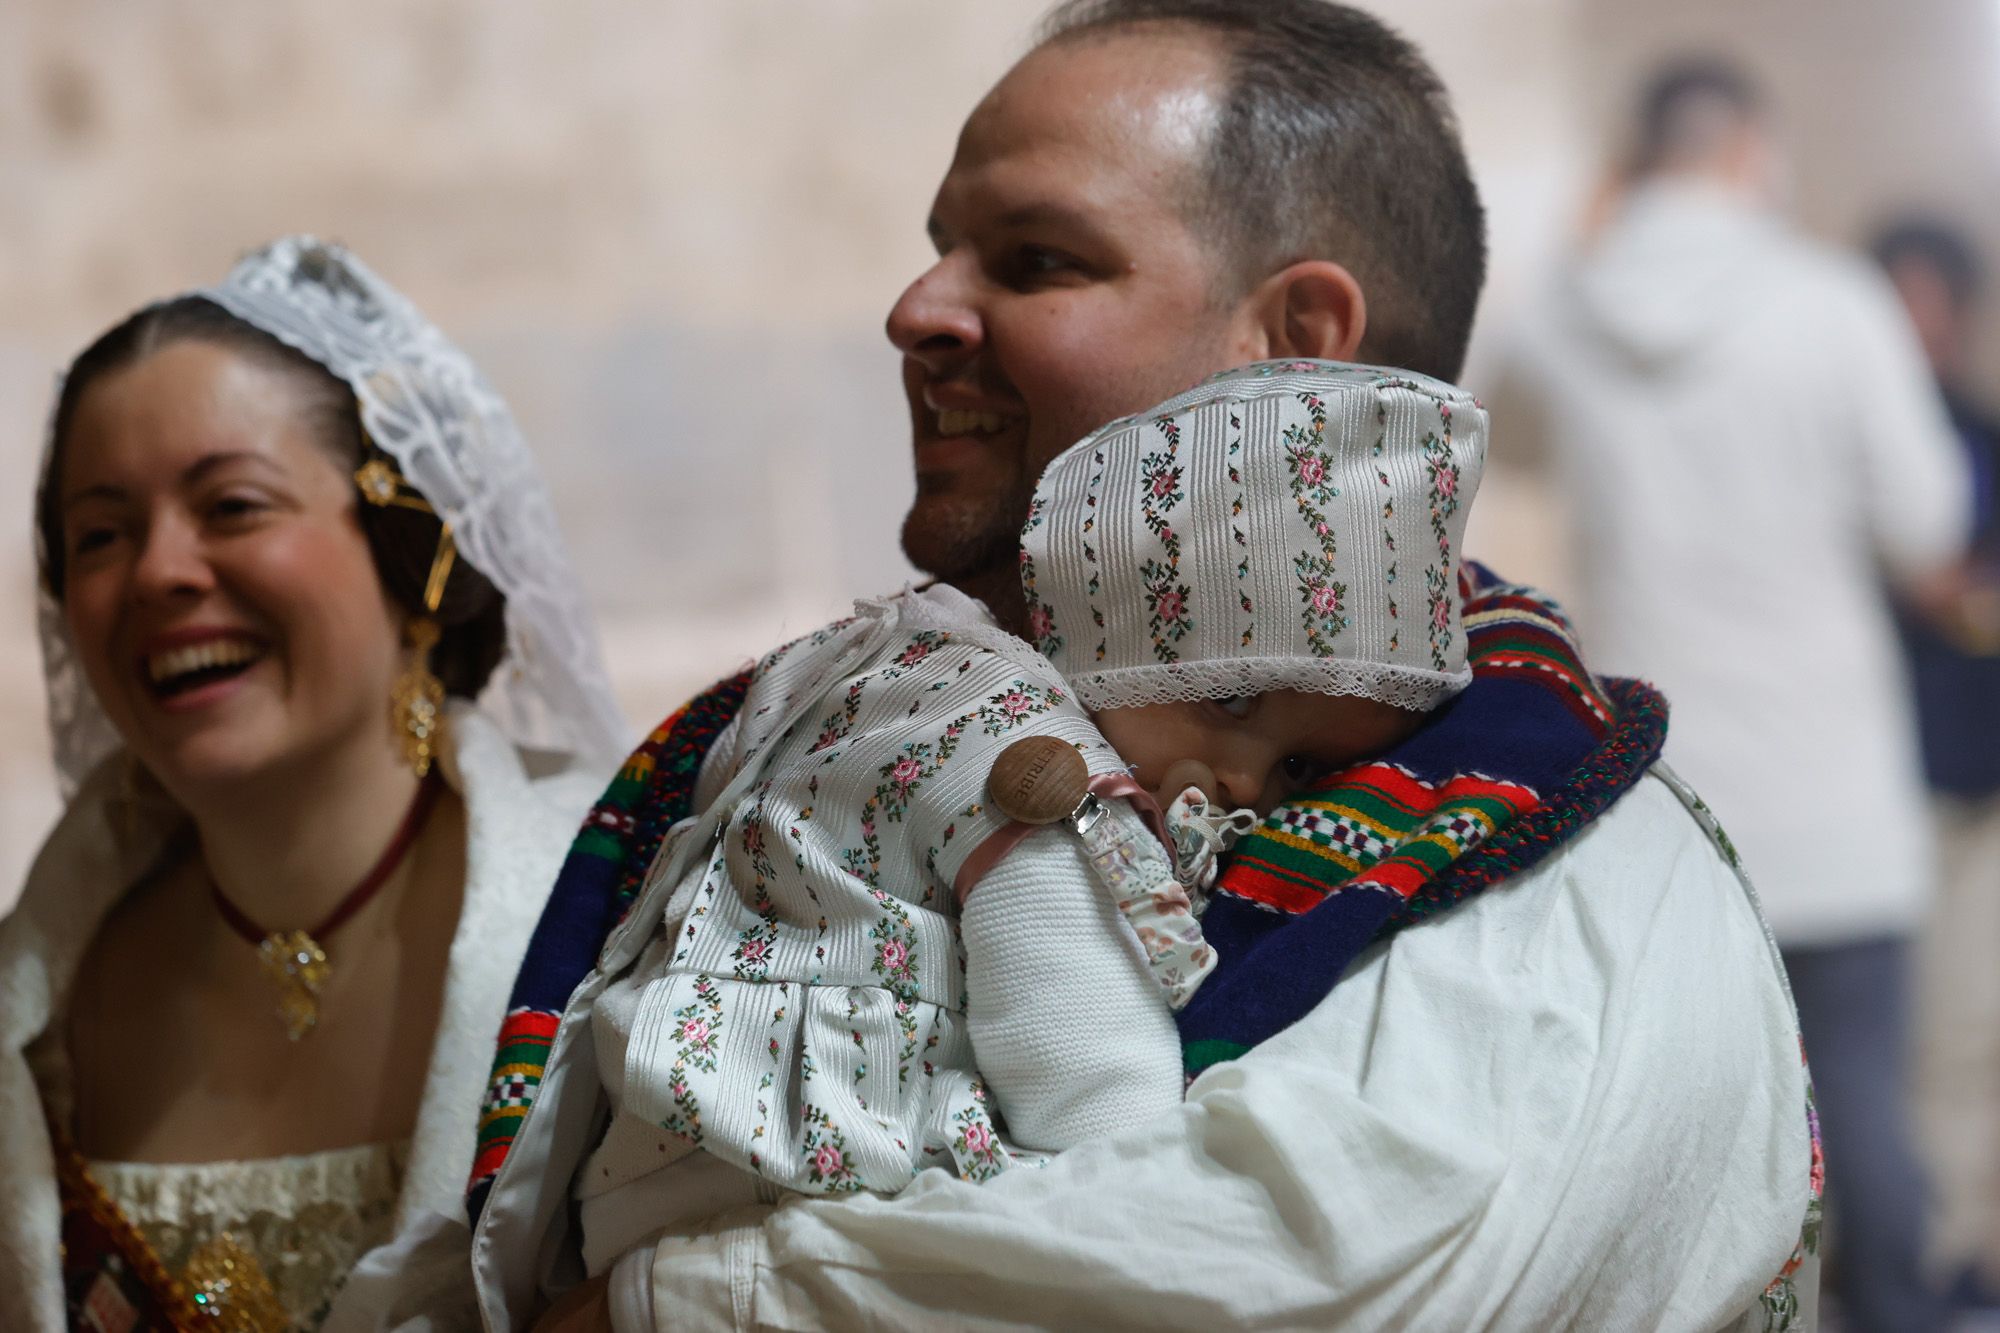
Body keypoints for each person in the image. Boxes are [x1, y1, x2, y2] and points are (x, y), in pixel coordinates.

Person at [420, 6, 1815, 1329]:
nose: (916, 308)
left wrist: (678, 1307)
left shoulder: (1565, 859)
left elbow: (1302, 1268)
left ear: (1297, 347)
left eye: (1035, 261)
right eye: (940, 249)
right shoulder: (834, 714)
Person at [476, 360, 1477, 1311]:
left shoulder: (883, 672)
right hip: (810, 1195)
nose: (1245, 782)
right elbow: (1097, 1105)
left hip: (647, 1165)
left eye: (1302, 768)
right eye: (1230, 696)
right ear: (1133, 627)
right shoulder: (1041, 785)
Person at [0, 236, 627, 1331]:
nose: (158, 570)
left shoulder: (613, 917)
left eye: (231, 504)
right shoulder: (44, 1016)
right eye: (101, 534)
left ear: (414, 552)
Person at [1502, 60, 1969, 1332]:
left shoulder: (1565, 311)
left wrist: (1587, 218)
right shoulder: (1830, 302)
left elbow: (1509, 419)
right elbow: (1926, 520)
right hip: (1832, 791)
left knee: (1681, 1128)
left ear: (1633, 163)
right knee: (1861, 1105)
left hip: (1663, 799)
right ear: (1750, 152)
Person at [1873, 217, 2000, 1305]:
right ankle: (1888, 1263)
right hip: (1871, 787)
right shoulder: (1841, 445)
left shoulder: (1982, 436)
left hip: (1979, 779)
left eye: (1931, 303)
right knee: (1873, 1045)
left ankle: (1953, 1256)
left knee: (1964, 1034)